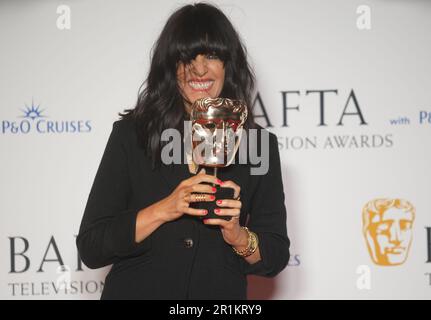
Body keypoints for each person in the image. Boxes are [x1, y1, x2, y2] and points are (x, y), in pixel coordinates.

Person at [76, 2, 290, 300]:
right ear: (169, 65)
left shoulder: (259, 145)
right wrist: (166, 208)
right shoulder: (132, 135)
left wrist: (238, 236)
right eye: (186, 56)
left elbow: (276, 254)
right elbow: (92, 246)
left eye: (212, 55)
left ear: (229, 65)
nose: (199, 68)